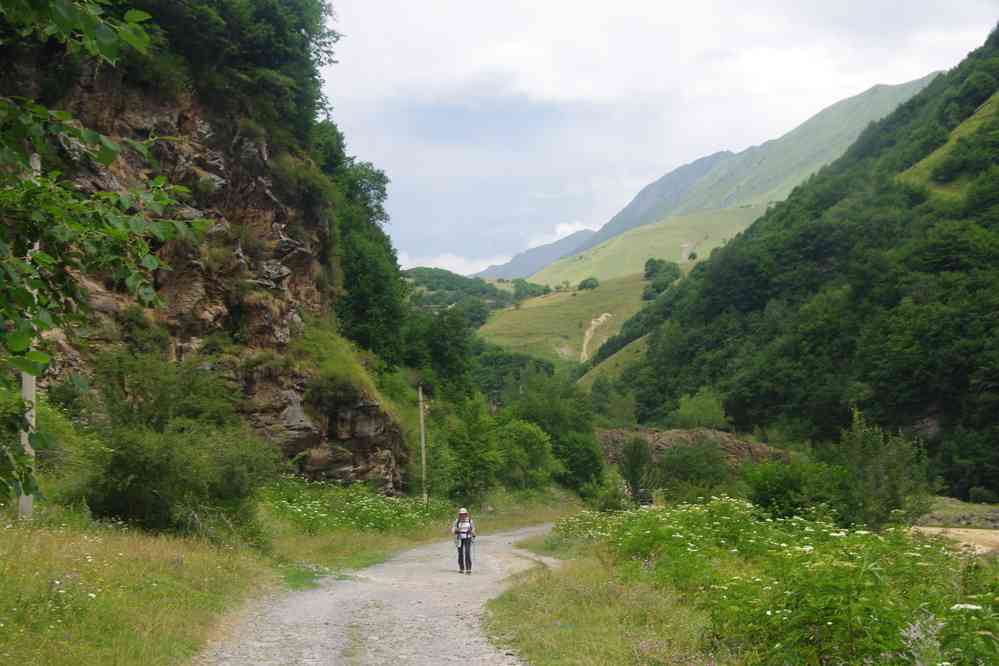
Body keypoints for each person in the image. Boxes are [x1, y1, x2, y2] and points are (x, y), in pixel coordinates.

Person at [451, 507, 475, 574]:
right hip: (459, 539)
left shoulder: (470, 521)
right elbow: (452, 530)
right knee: (460, 554)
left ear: (466, 514)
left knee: (467, 552)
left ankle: (468, 569)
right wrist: (456, 530)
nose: (462, 515)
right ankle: (461, 568)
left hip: (468, 538)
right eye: (461, 514)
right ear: (459, 514)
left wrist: (472, 532)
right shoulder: (457, 521)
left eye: (464, 514)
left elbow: (473, 529)